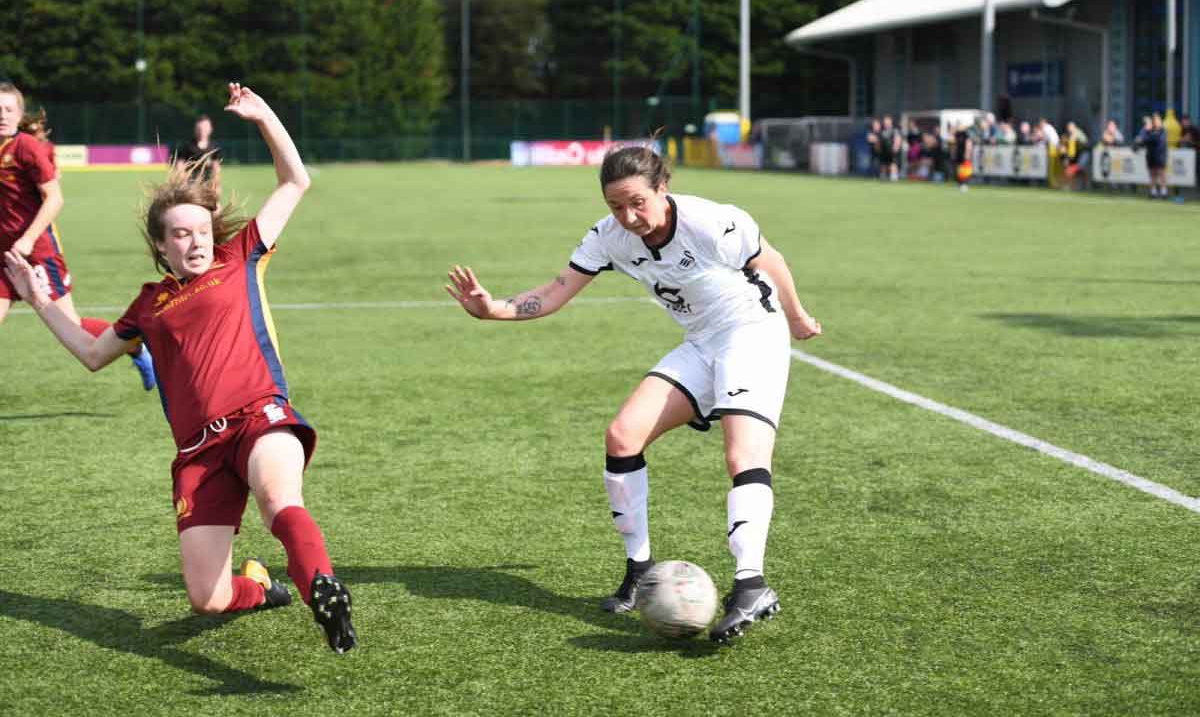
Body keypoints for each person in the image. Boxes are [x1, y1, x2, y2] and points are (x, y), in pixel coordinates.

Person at [4, 83, 357, 654]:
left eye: (199, 231)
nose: (194, 242)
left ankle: (324, 586)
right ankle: (263, 588)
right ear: (161, 245)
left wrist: (263, 112)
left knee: (277, 498)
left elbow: (296, 181)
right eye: (180, 234)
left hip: (260, 418)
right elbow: (92, 355)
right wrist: (39, 297)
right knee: (208, 598)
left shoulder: (240, 257)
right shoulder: (148, 304)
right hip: (198, 453)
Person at [446, 143, 822, 643]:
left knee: (742, 455)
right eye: (615, 206)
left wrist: (795, 317)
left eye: (637, 202)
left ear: (662, 188)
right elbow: (556, 291)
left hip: (753, 332)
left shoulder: (713, 222)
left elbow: (771, 260)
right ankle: (640, 570)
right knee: (623, 436)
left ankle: (751, 583)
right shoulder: (608, 237)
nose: (628, 216)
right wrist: (492, 309)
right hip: (702, 343)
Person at [0, 82, 156, 389]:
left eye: (8, 109)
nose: (2, 115)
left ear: (19, 115)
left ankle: (135, 344)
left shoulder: (26, 148)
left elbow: (55, 198)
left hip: (37, 256)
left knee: (71, 328)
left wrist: (29, 238)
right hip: (3, 258)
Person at [174, 114, 223, 192]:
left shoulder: (214, 147)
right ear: (195, 129)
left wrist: (216, 185)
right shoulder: (187, 146)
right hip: (190, 187)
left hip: (207, 186)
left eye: (205, 128)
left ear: (210, 129)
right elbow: (179, 166)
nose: (202, 131)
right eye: (199, 129)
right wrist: (183, 183)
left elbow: (216, 168)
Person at [1139, 112, 1169, 199]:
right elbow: (1142, 139)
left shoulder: (1162, 130)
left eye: (1157, 120)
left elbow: (1158, 140)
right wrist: (1146, 129)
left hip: (1160, 155)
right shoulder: (1148, 130)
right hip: (1151, 155)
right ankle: (1153, 192)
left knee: (1161, 173)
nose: (1156, 122)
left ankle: (1164, 192)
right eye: (1154, 120)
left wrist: (1148, 136)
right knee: (1152, 174)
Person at [878, 115, 901, 181]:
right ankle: (883, 177)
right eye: (885, 122)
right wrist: (879, 148)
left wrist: (896, 147)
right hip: (883, 151)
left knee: (893, 164)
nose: (886, 123)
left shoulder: (894, 130)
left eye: (887, 122)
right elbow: (879, 141)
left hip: (892, 151)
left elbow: (897, 139)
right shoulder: (882, 131)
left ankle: (894, 177)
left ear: (890, 122)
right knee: (883, 164)